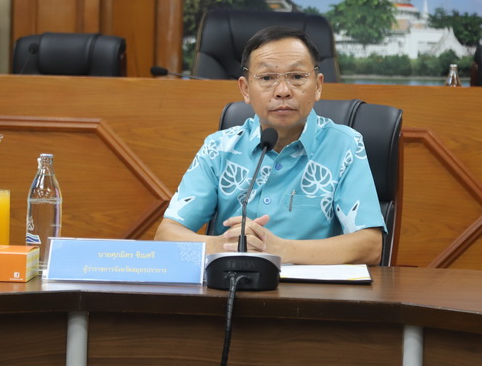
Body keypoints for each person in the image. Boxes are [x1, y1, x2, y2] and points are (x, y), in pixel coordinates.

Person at [154, 26, 385, 265]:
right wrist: (227, 244)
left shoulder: (344, 145)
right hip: (233, 290)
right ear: (245, 89)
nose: (283, 91)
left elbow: (370, 246)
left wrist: (278, 249)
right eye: (266, 78)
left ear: (317, 86)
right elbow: (166, 236)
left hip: (312, 295)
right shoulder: (219, 148)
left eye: (297, 77)